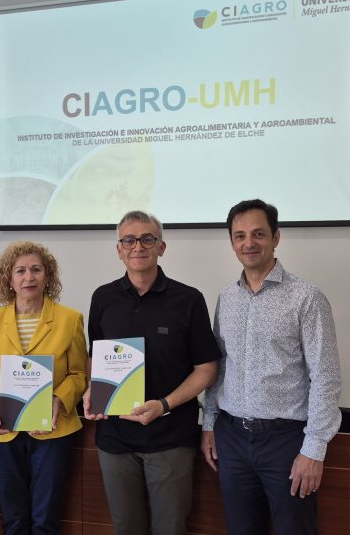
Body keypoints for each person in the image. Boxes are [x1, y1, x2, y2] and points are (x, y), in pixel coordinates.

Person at [201, 199, 343, 535]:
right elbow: (220, 367)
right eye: (239, 236)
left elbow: (326, 376)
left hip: (286, 442)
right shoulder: (226, 299)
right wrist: (209, 423)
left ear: (276, 237)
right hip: (232, 438)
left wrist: (314, 449)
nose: (248, 243)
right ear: (232, 242)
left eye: (258, 234)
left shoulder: (306, 297)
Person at [83, 211, 220, 535]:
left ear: (161, 247)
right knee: (125, 528)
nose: (138, 247)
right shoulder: (103, 298)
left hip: (170, 438)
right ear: (119, 249)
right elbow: (94, 357)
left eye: (147, 239)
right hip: (115, 439)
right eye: (129, 240)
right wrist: (92, 390)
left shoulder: (188, 299)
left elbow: (207, 369)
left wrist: (164, 404)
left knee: (170, 528)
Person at [0, 241, 87, 535]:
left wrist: (59, 399)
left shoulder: (70, 319)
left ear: (48, 276)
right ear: (8, 279)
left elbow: (78, 374)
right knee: (14, 519)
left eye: (36, 269)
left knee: (45, 520)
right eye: (20, 271)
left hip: (52, 432)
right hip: (2, 432)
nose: (29, 277)